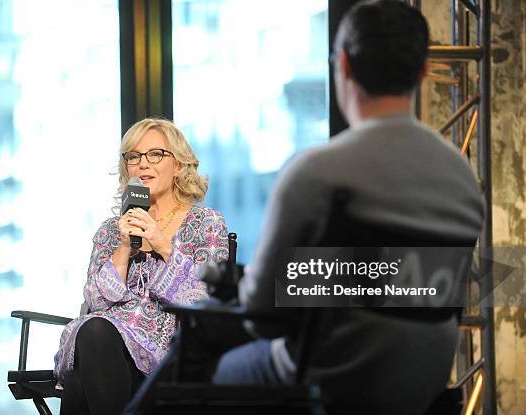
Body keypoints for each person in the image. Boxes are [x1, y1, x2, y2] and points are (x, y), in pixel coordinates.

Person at [130, 1, 484, 414]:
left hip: (330, 381)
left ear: (344, 66)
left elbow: (262, 316)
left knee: (195, 353)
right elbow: (404, 281)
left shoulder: (318, 173)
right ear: (424, 69)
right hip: (422, 379)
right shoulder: (462, 178)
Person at [53, 117, 229, 415]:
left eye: (155, 154)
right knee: (93, 332)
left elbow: (206, 299)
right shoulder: (111, 230)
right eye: (134, 157)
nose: (143, 164)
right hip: (107, 344)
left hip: (172, 348)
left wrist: (162, 244)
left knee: (79, 380)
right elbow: (95, 302)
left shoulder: (206, 223)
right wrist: (124, 246)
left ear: (178, 166)